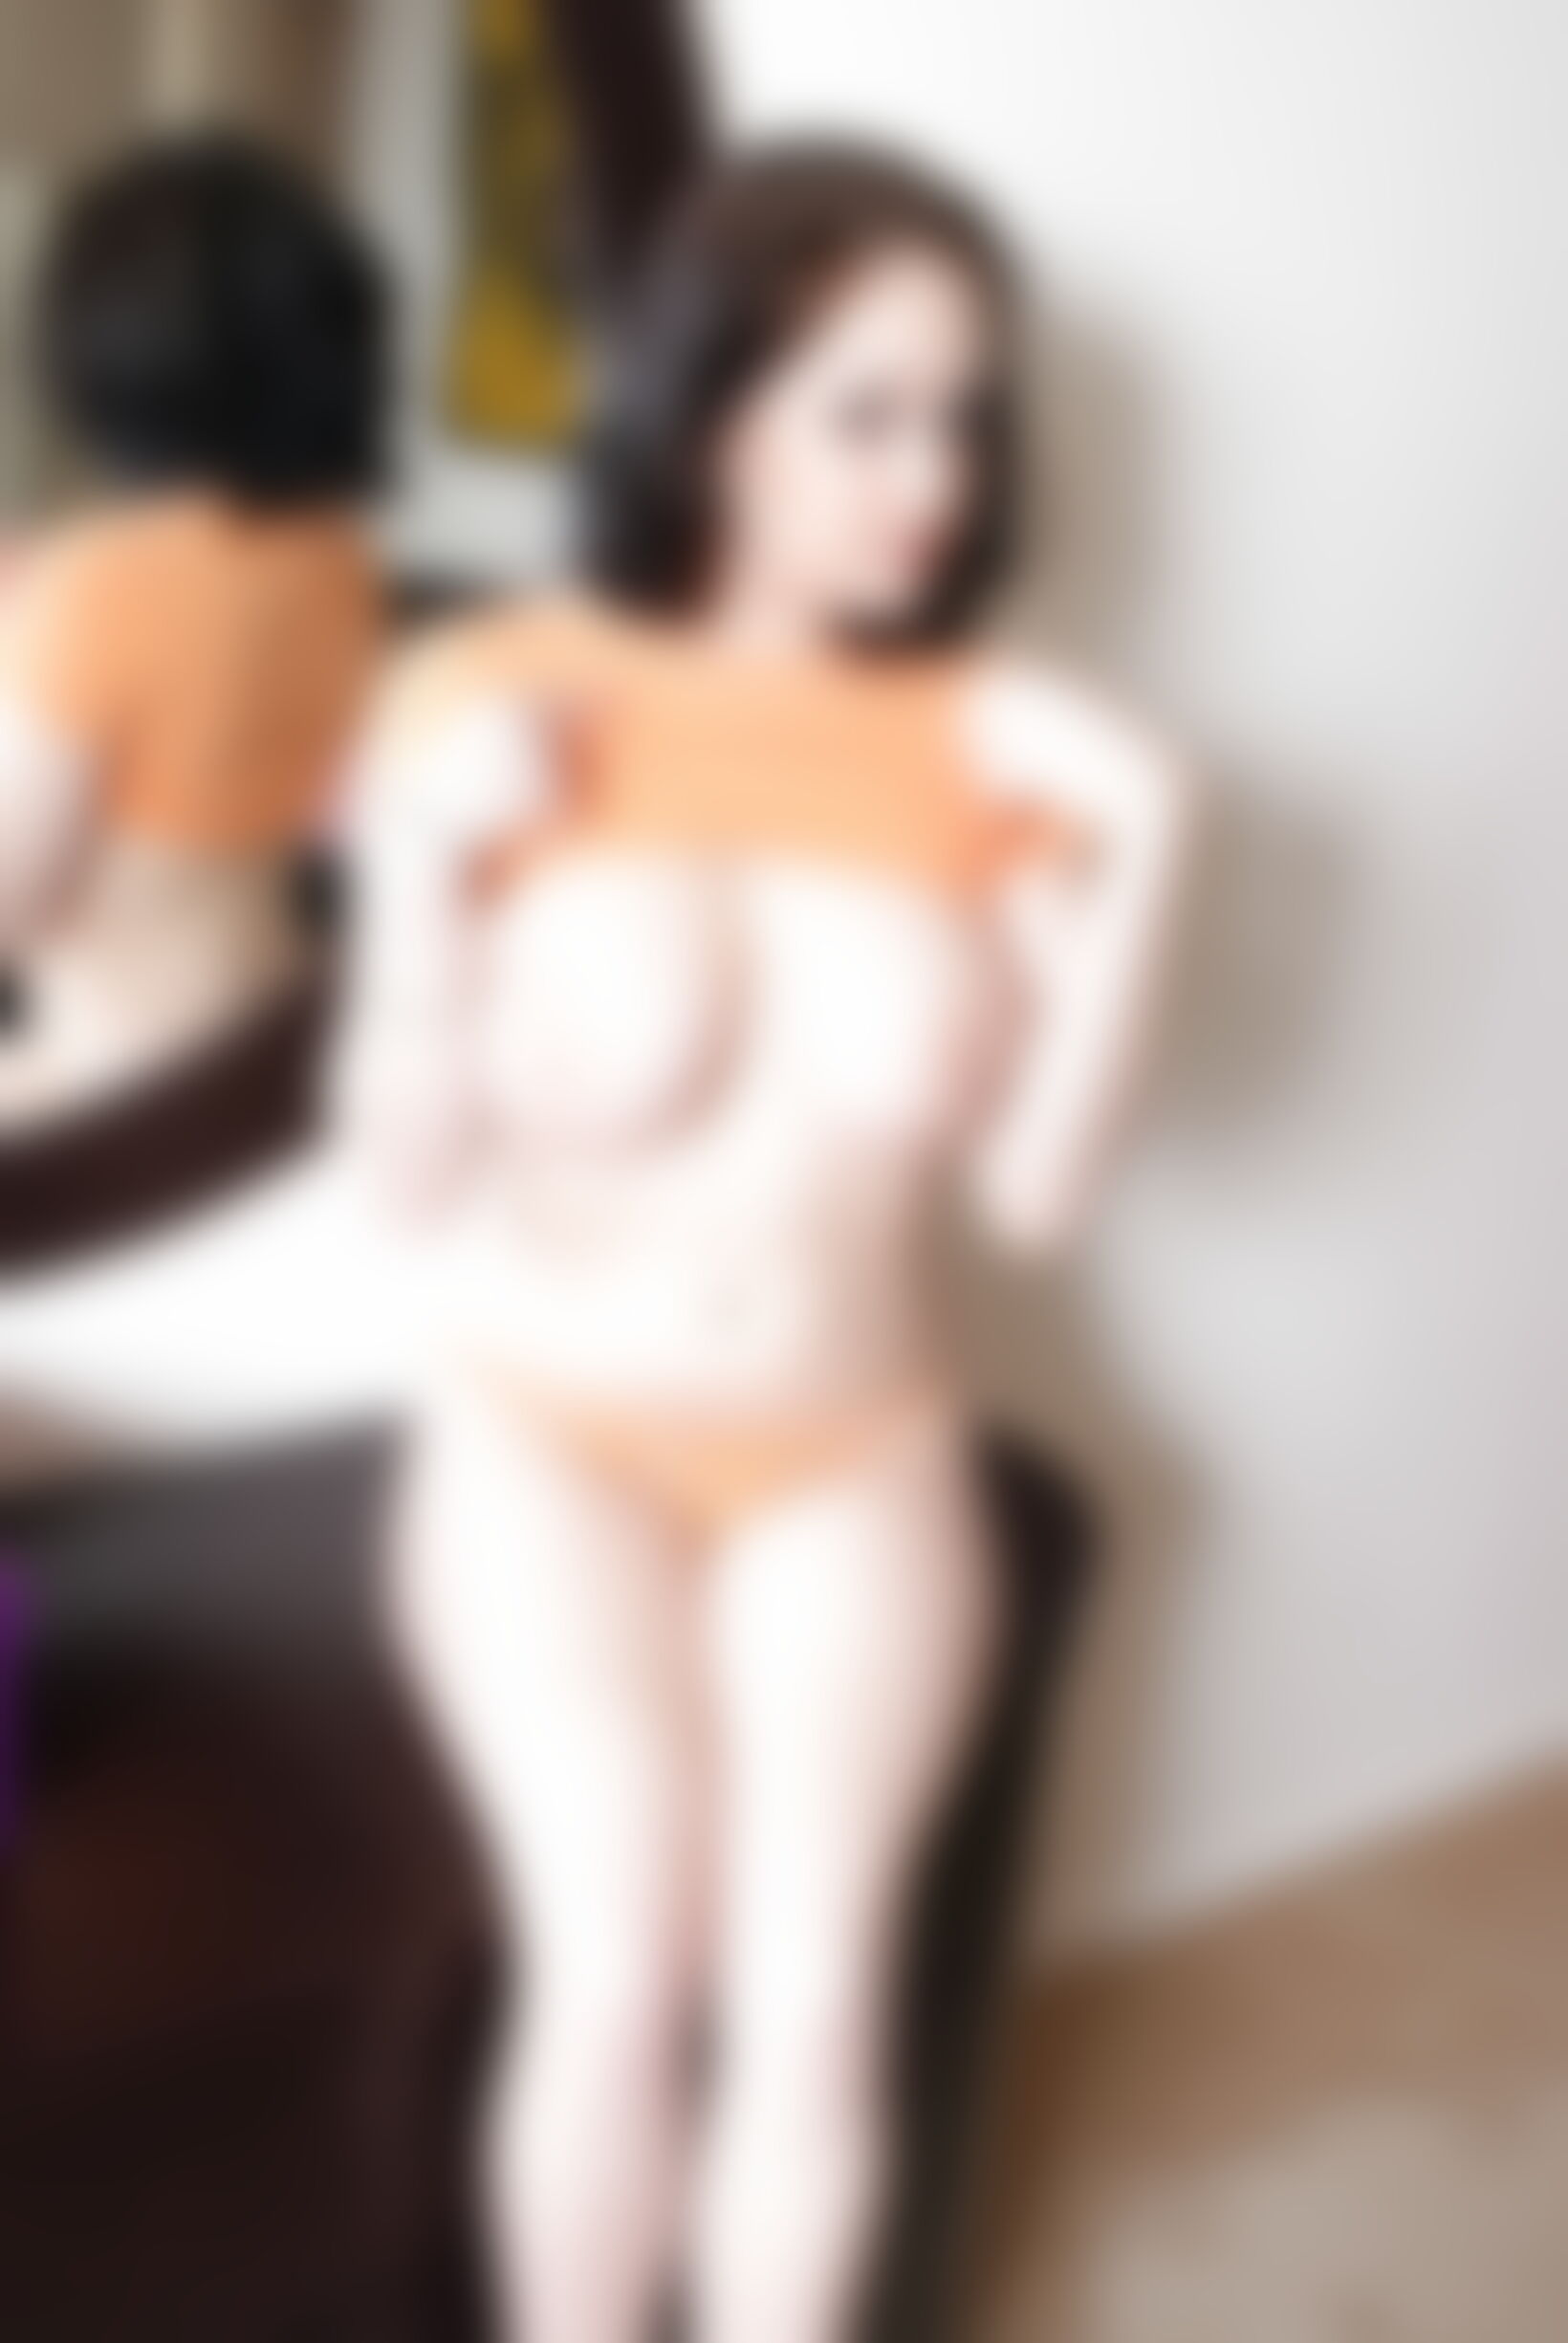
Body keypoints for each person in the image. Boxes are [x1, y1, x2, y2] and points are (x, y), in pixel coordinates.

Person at [337, 142, 1188, 2343]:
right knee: (618, 1961)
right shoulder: (492, 688)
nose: (934, 478)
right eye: (865, 411)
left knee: (815, 1996)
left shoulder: (981, 745)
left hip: (853, 1447)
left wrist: (1148, 839)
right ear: (708, 401)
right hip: (548, 1438)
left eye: (963, 416)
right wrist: (417, 872)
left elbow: (1038, 1193)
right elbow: (401, 1179)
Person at [0, 135, 388, 1129]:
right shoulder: (337, 557)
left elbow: (16, 897)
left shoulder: (101, 581)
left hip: (124, 1073)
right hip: (275, 1030)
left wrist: (19, 656)